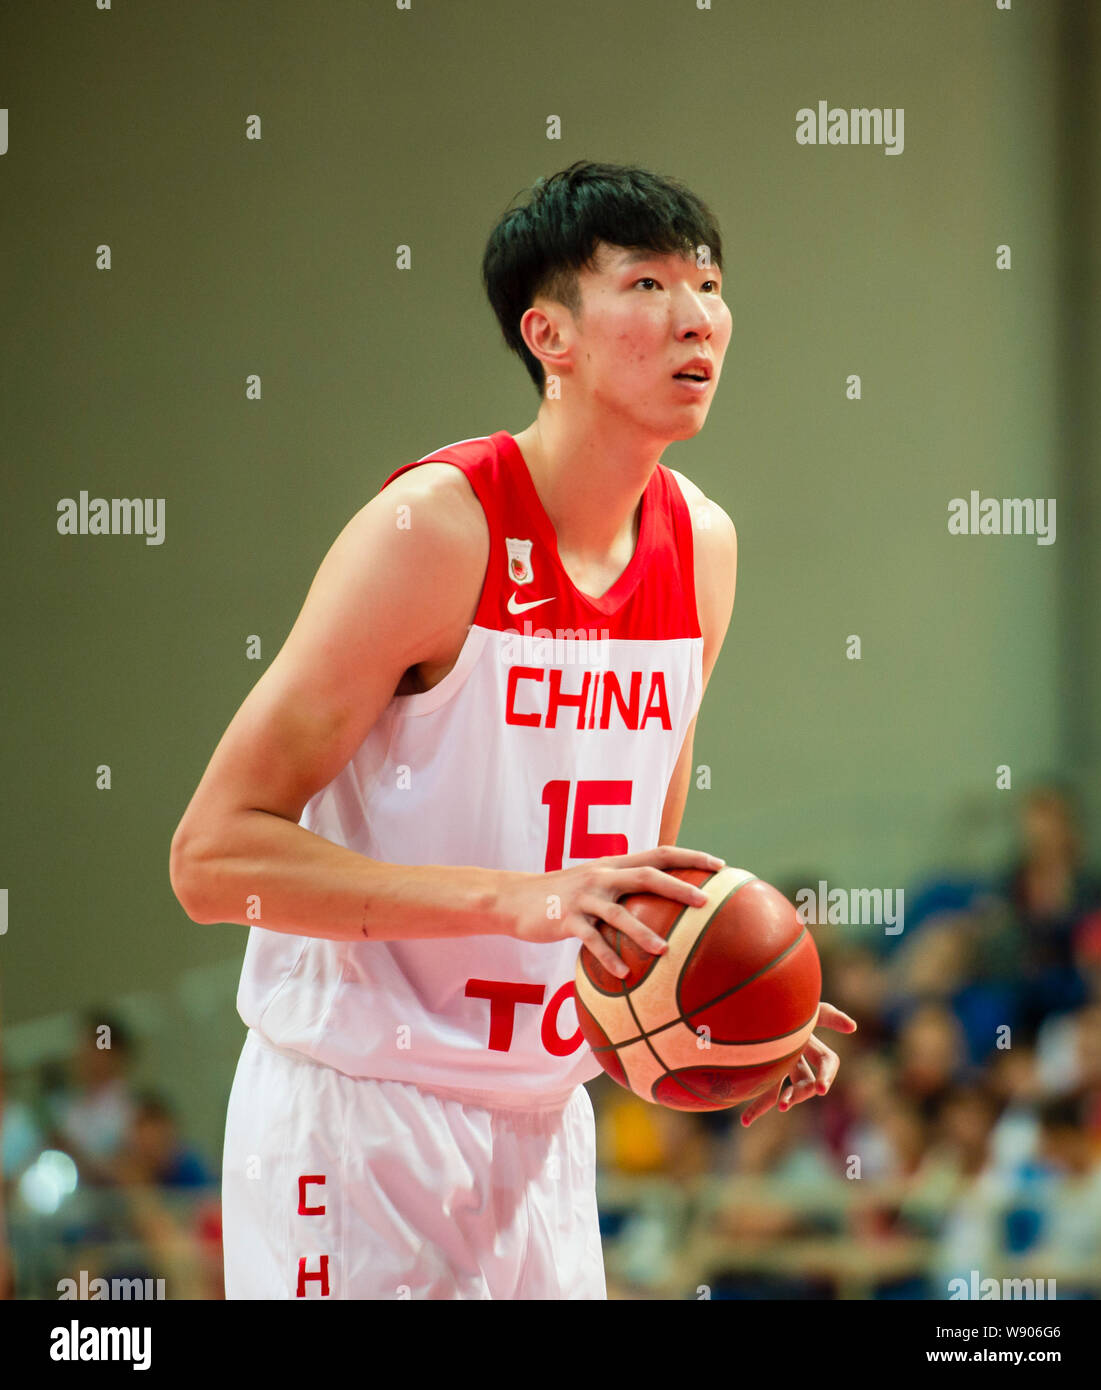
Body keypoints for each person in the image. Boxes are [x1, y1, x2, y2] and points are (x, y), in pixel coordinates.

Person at [169, 160, 856, 1300]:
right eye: (645, 285)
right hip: (356, 1119)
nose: (695, 317)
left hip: (542, 1130)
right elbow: (211, 861)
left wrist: (702, 1017)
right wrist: (513, 899)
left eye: (709, 284)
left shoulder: (704, 549)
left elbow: (634, 890)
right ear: (551, 334)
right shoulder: (431, 532)